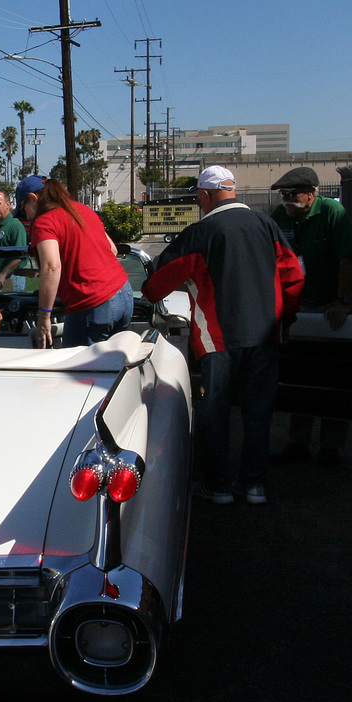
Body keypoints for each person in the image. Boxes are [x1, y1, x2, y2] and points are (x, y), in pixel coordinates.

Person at [142, 165, 304, 506]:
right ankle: (254, 485)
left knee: (215, 412)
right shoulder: (267, 225)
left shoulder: (203, 230)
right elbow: (292, 275)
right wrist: (285, 318)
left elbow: (160, 281)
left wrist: (148, 290)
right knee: (258, 413)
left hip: (219, 338)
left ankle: (218, 486)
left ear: (205, 194)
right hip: (265, 335)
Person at [269, 166, 352, 466]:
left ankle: (331, 447)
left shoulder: (333, 213)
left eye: (293, 197)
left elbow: (347, 258)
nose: (288, 203)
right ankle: (298, 442)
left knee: (333, 375)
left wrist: (342, 301)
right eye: (284, 197)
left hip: (329, 304)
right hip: (299, 305)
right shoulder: (281, 218)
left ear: (310, 194)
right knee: (301, 372)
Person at [22, 178, 133, 348]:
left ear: (33, 199)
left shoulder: (44, 221)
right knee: (112, 367)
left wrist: (44, 316)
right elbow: (112, 249)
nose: (27, 217)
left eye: (24, 210)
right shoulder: (81, 209)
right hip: (124, 296)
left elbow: (51, 267)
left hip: (92, 304)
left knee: (78, 370)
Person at [0, 190, 28, 291]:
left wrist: (3, 274)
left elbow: (20, 256)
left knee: (9, 305)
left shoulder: (15, 226)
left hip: (11, 278)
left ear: (7, 205)